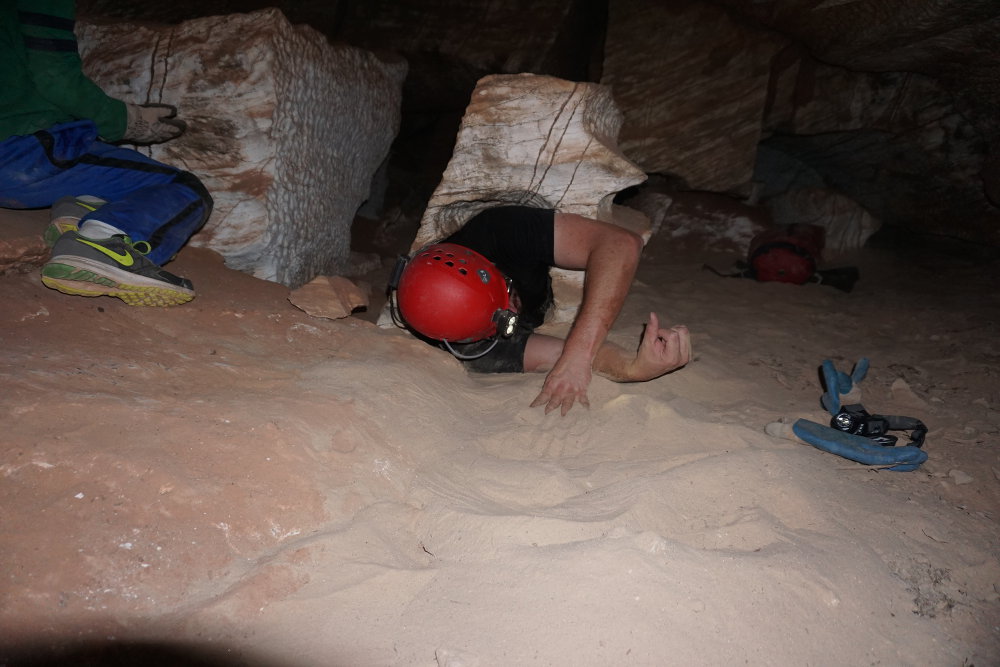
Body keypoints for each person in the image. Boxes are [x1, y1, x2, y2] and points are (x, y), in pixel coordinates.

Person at [0, 0, 213, 307]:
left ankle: (78, 214)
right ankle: (101, 243)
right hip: (17, 155)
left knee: (104, 163)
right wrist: (127, 121)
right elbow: (56, 79)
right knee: (184, 189)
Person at [391, 205, 693, 415]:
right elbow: (555, 355)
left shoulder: (496, 232)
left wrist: (579, 354)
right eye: (506, 320)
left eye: (507, 293)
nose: (514, 308)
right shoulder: (466, 344)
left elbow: (622, 244)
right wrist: (634, 368)